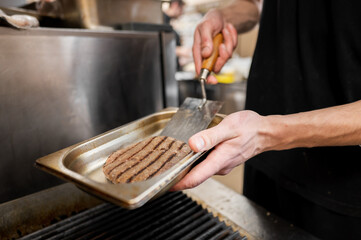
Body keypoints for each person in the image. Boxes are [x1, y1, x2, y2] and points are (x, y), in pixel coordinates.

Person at [171, 0, 361, 239]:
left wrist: (266, 133)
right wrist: (224, 16)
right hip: (263, 163)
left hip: (338, 192)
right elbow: (257, 5)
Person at [163, 0, 192, 70]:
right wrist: (181, 51)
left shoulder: (168, 22)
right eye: (181, 9)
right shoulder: (161, 20)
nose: (182, 13)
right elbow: (158, 47)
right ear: (175, 5)